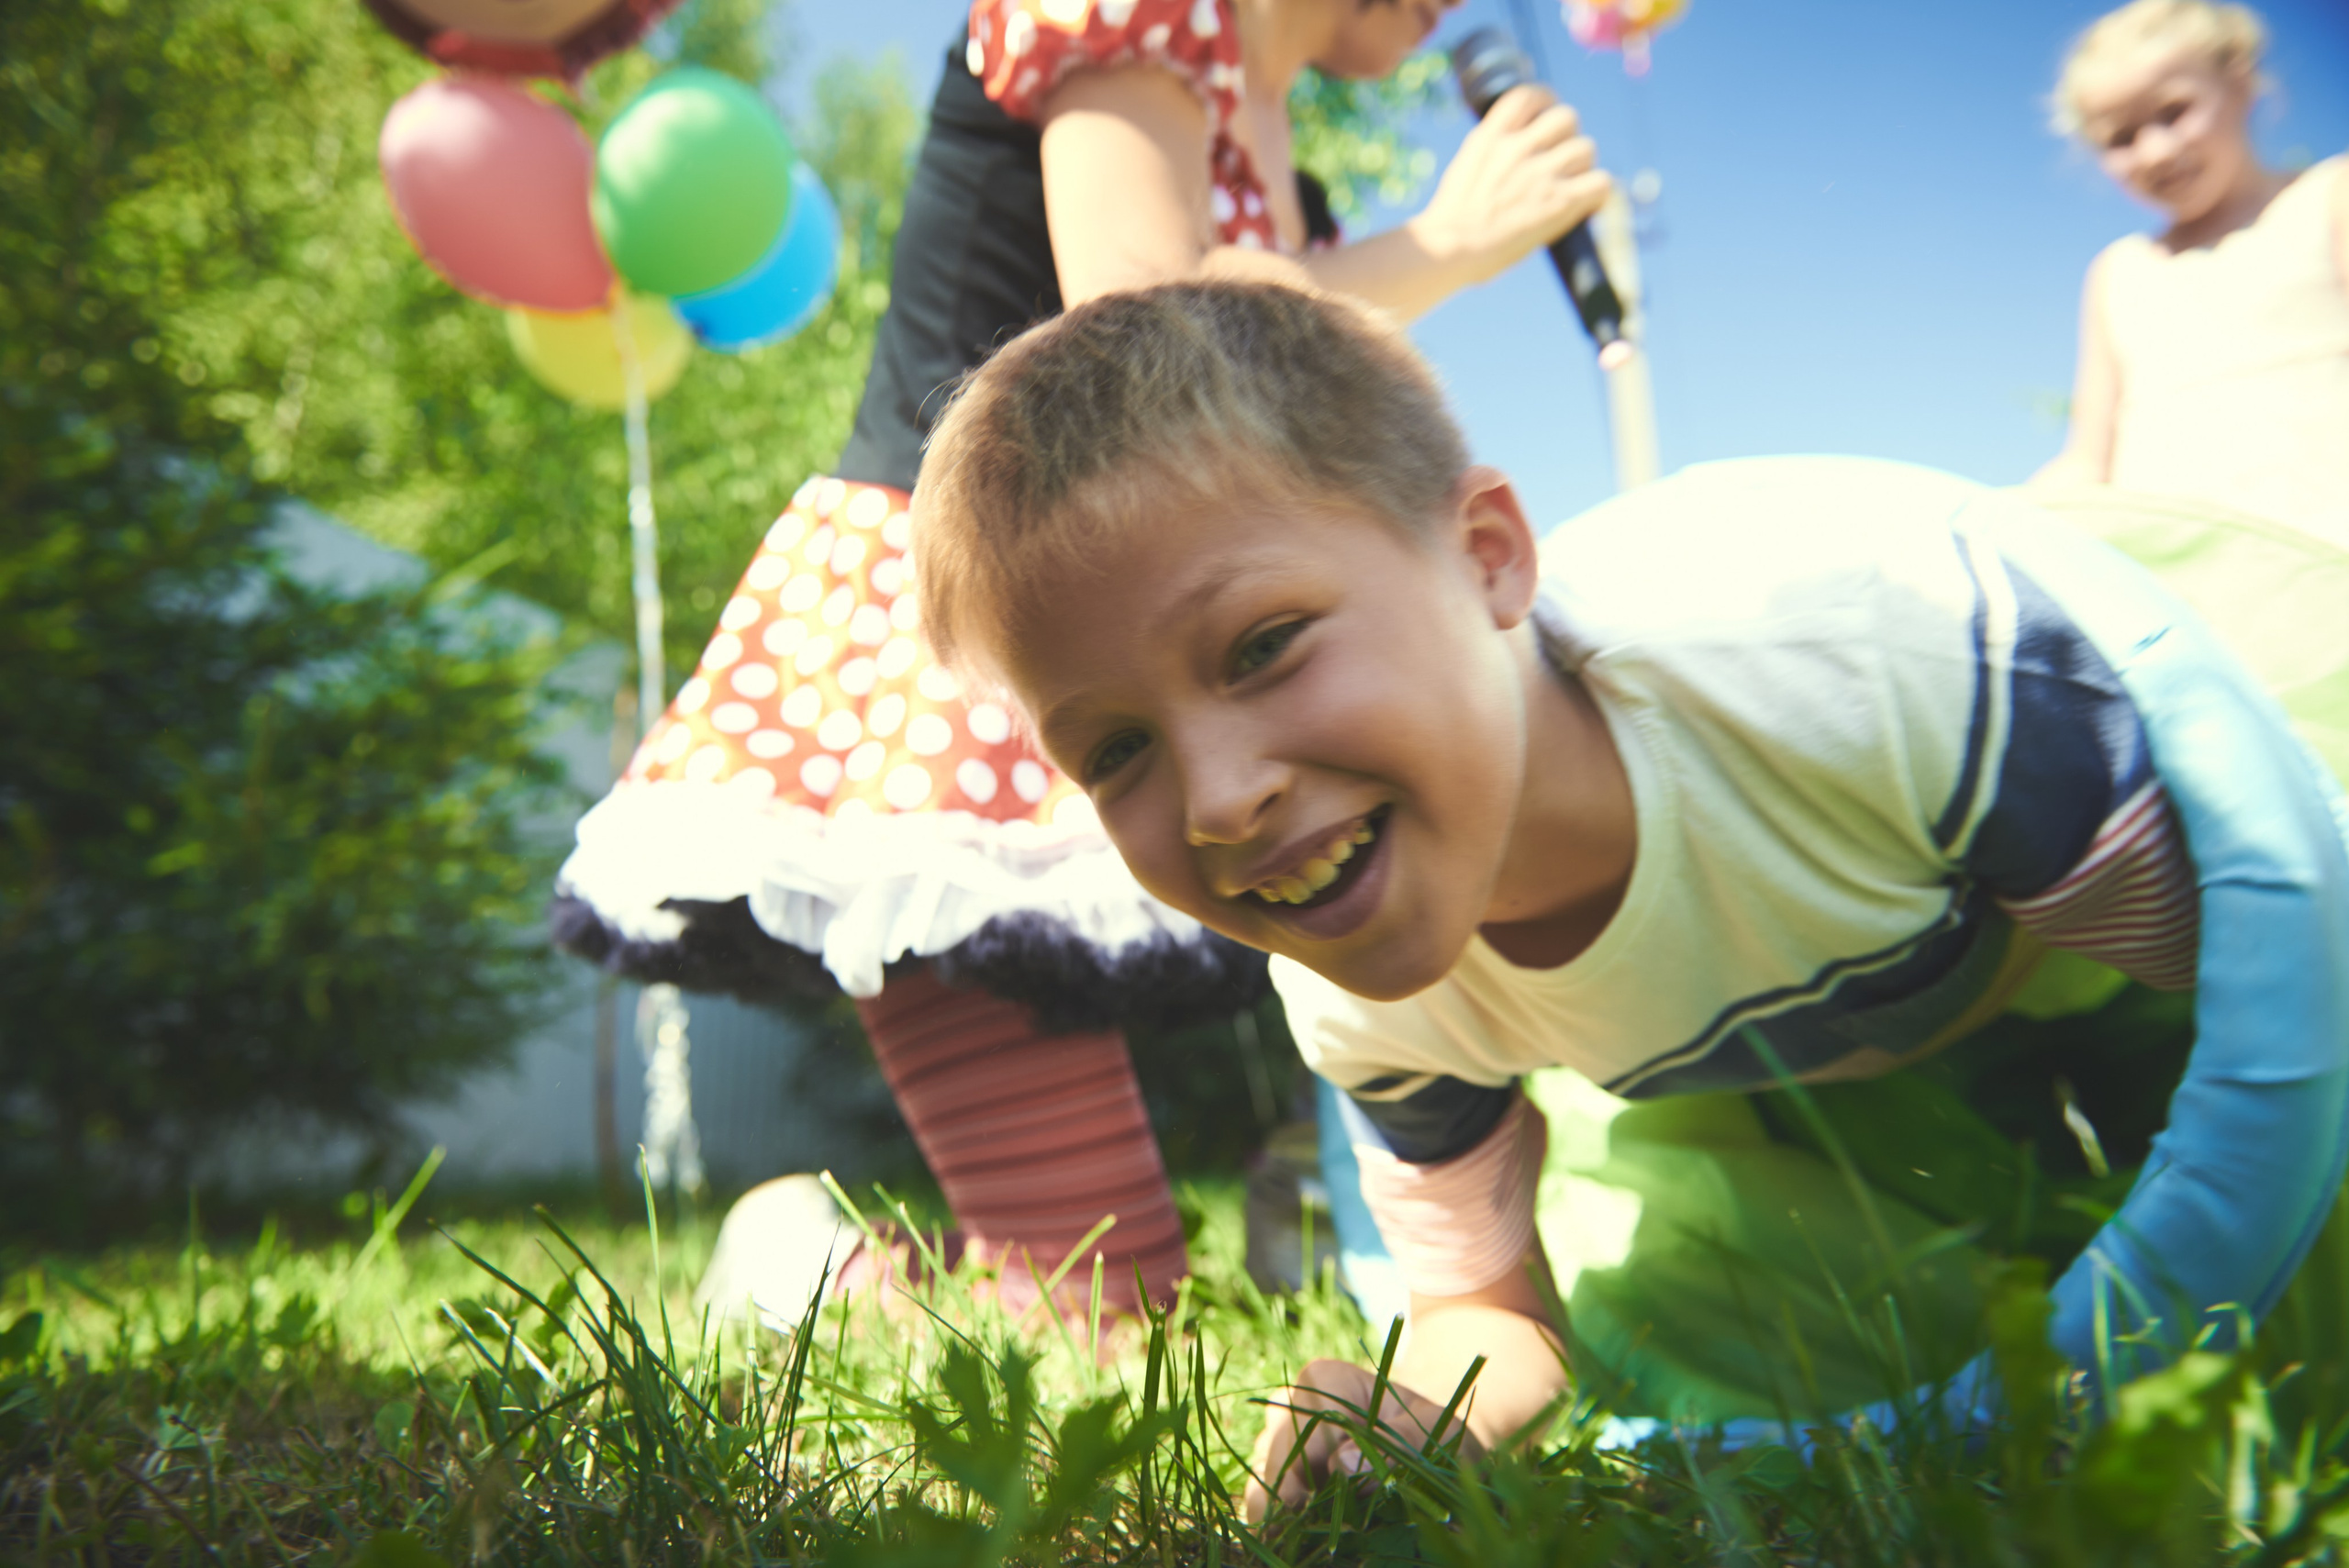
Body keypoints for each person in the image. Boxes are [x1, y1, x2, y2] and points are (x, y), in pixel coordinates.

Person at [907, 280, 2349, 1512]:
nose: (1219, 799)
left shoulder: (1852, 667)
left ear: (1487, 558)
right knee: (1727, 1321)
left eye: (1266, 643)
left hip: (2108, 927)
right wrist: (1416, 1413)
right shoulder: (1354, 990)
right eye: (1116, 750)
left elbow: (2281, 991)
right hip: (1819, 1044)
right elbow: (1485, 1311)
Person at [554, 0, 1614, 1324]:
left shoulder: (1289, 161)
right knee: (1104, 1311)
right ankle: (805, 1277)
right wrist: (1444, 247)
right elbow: (1146, 324)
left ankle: (1321, 1204)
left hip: (1165, 657)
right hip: (961, 658)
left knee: (1124, 1291)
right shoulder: (1132, 12)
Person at [2037, 0, 2348, 547]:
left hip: (2321, 566)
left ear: (2240, 86)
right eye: (2121, 138)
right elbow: (2087, 460)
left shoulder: (2327, 200)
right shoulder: (2119, 273)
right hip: (2179, 595)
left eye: (2174, 111)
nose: (2155, 151)